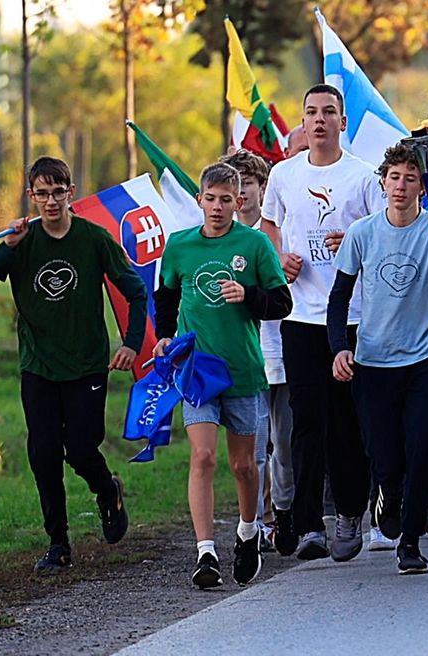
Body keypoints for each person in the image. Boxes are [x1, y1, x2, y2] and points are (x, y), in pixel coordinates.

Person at [0, 156, 143, 575]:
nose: (50, 201)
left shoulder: (93, 239)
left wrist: (131, 345)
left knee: (81, 449)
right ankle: (58, 543)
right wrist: (5, 250)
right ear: (31, 196)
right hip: (38, 366)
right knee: (43, 452)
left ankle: (107, 490)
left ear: (70, 193)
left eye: (57, 192)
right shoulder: (19, 241)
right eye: (41, 193)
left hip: (86, 365)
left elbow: (135, 292)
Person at [328, 142, 428, 575]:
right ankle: (387, 493)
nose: (402, 185)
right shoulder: (363, 233)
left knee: (424, 448)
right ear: (383, 181)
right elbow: (338, 299)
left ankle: (409, 542)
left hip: (426, 358)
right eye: (395, 177)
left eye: (412, 177)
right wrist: (340, 347)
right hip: (374, 361)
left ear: (420, 184)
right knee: (385, 455)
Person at [260, 83, 385, 560]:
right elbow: (270, 224)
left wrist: (351, 242)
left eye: (328, 112)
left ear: (342, 122)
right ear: (303, 121)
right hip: (300, 316)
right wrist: (279, 259)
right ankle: (311, 524)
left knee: (345, 422)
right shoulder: (283, 174)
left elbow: (381, 232)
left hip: (350, 319)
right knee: (305, 420)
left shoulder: (363, 176)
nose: (319, 121)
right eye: (311, 112)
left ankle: (351, 511)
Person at [154, 162, 293, 588]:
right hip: (197, 371)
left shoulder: (253, 245)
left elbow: (281, 302)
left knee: (243, 465)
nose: (217, 207)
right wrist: (162, 338)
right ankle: (206, 552)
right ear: (199, 200)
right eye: (210, 199)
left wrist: (248, 294)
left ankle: (248, 533)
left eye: (226, 200)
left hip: (244, 371)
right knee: (202, 456)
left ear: (239, 201)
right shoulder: (179, 246)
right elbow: (165, 299)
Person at [221, 149, 277, 549]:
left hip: (279, 350)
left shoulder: (273, 232)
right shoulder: (214, 235)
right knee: (254, 448)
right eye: (231, 187)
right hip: (242, 359)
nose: (240, 195)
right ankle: (257, 522)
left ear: (261, 188)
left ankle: (282, 513)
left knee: (283, 447)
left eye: (247, 185)